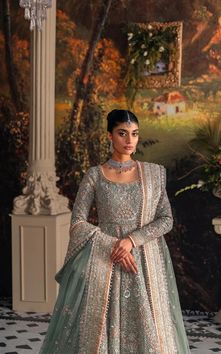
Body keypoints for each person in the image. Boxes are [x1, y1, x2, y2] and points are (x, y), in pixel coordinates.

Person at [40, 109, 190, 354]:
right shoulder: (94, 176)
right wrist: (112, 245)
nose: (129, 140)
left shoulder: (153, 174)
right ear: (110, 135)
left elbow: (166, 220)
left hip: (143, 262)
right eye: (122, 133)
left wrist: (131, 240)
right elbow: (77, 222)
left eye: (134, 134)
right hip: (105, 261)